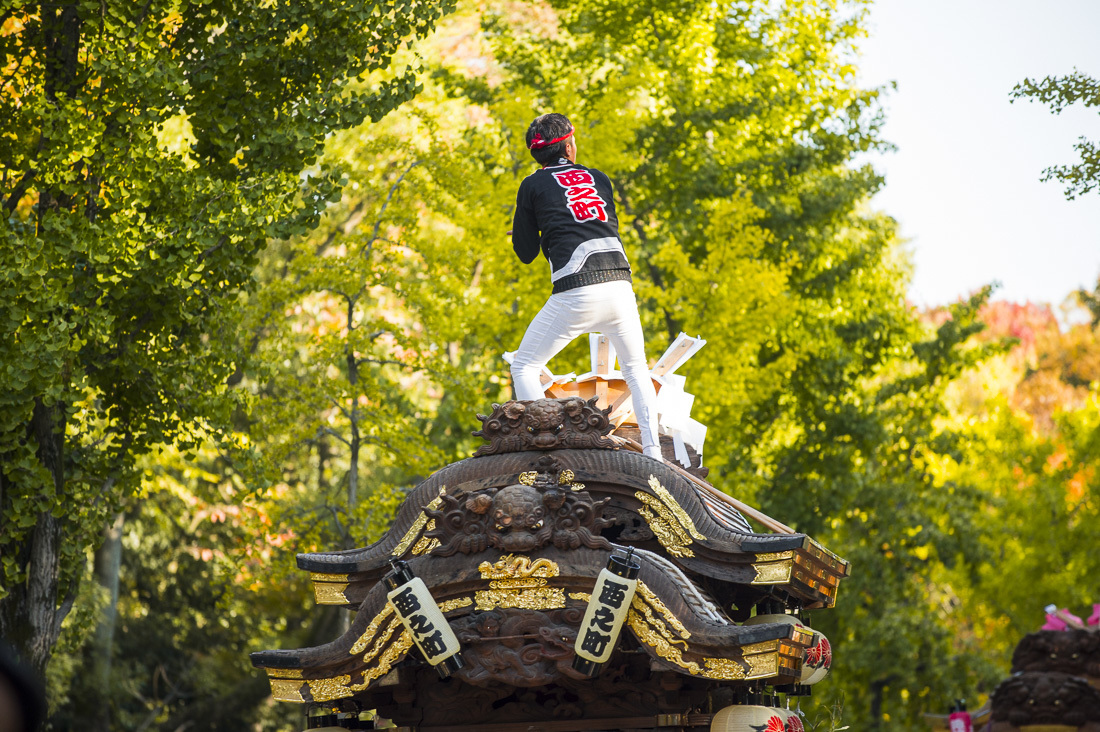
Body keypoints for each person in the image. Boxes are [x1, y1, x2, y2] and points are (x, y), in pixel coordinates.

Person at [509, 113, 663, 461]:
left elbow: (525, 252)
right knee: (637, 369)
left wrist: (530, 229)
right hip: (621, 285)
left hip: (576, 290)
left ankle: (545, 452)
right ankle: (656, 456)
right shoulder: (599, 178)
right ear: (570, 145)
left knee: (524, 367)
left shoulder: (531, 185)